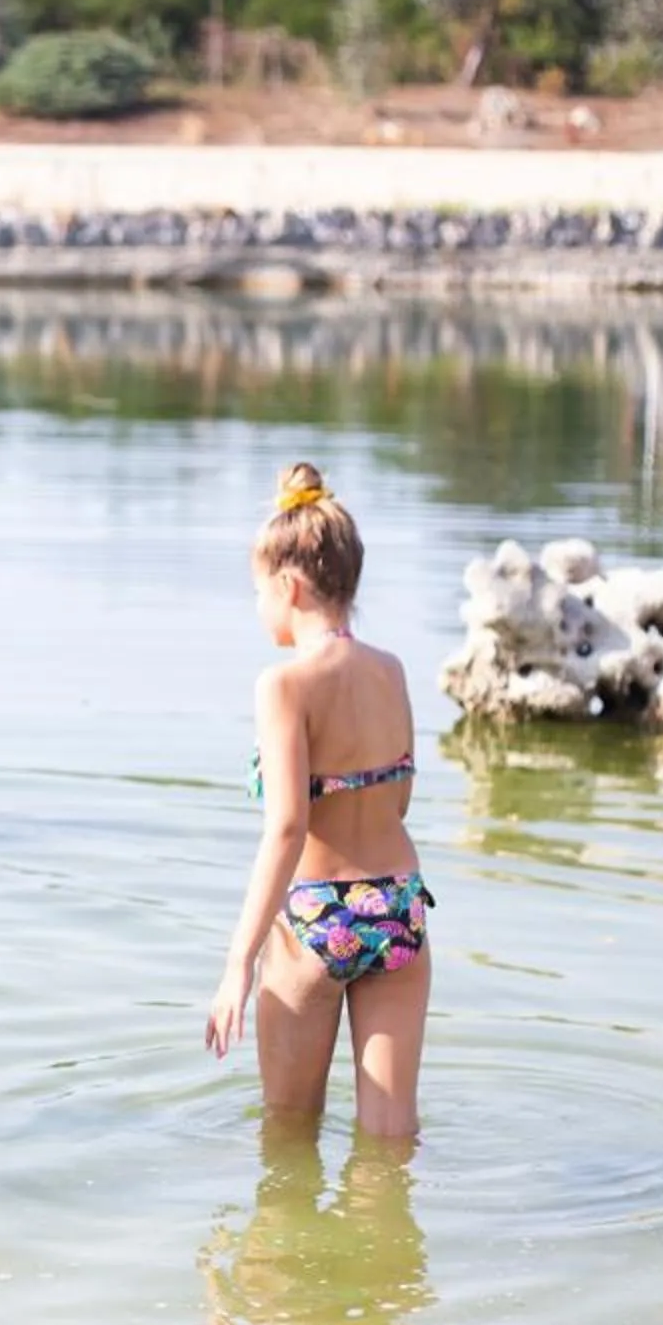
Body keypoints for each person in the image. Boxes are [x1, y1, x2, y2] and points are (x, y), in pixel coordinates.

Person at [204, 463, 432, 1138]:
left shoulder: (283, 685)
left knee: (287, 1137)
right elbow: (401, 799)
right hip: (398, 905)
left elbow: (287, 828)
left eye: (256, 591)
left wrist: (237, 963)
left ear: (288, 585)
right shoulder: (391, 671)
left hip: (318, 915)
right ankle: (386, 1241)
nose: (256, 607)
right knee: (392, 1139)